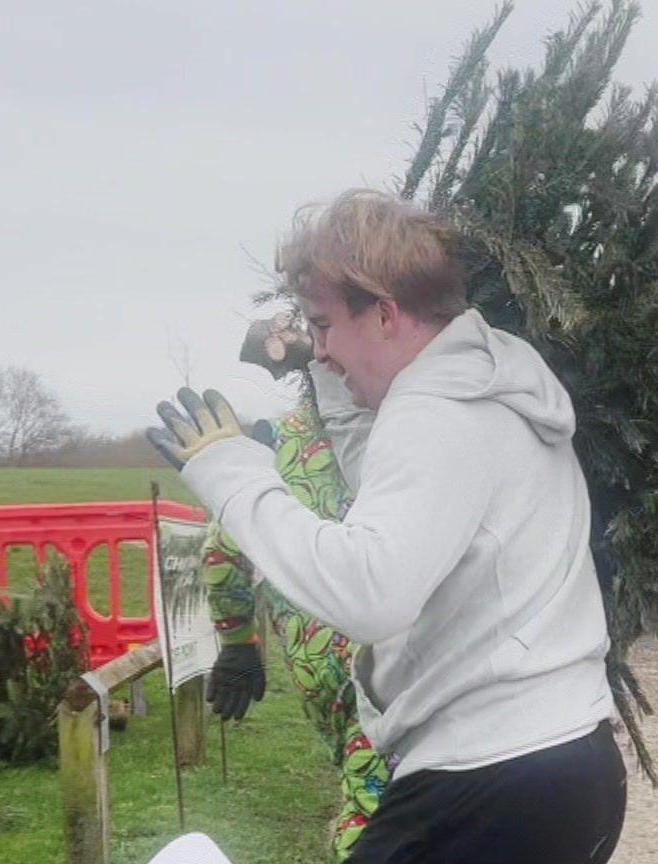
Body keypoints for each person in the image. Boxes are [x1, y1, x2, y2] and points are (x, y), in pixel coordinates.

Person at [148, 189, 625, 864]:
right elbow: (381, 470)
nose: (317, 349)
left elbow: (370, 593)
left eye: (322, 325)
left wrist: (231, 471)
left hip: (490, 783)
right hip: (566, 765)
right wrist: (328, 369)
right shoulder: (486, 381)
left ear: (386, 314)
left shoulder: (437, 416)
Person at [202, 318, 389, 859]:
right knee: (378, 802)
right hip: (387, 644)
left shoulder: (280, 439)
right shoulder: (406, 428)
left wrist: (239, 642)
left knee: (366, 784)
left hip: (313, 650)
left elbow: (222, 549)